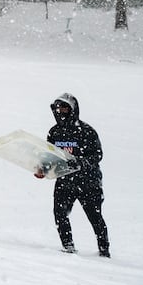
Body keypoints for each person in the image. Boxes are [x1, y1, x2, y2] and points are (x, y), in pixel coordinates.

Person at [39, 92, 108, 256]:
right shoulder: (54, 132)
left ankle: (104, 251)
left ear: (73, 109)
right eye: (58, 108)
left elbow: (97, 155)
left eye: (64, 107)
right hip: (65, 181)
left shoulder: (86, 131)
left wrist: (81, 162)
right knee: (59, 213)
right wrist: (43, 168)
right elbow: (51, 156)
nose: (60, 111)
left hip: (88, 182)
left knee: (95, 218)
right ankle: (68, 246)